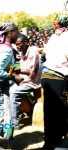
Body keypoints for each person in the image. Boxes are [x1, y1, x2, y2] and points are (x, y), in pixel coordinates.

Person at [41, 17, 68, 150]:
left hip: (46, 76)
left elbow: (46, 53)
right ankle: (57, 142)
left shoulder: (53, 37)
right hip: (58, 77)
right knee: (60, 111)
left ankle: (48, 141)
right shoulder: (66, 36)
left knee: (49, 111)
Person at [9, 34, 40, 129]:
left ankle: (14, 123)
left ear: (26, 43)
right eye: (16, 44)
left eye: (19, 44)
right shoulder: (23, 52)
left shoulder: (33, 52)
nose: (17, 46)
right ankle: (26, 112)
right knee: (8, 87)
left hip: (34, 81)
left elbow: (33, 73)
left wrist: (17, 72)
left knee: (13, 92)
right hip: (25, 79)